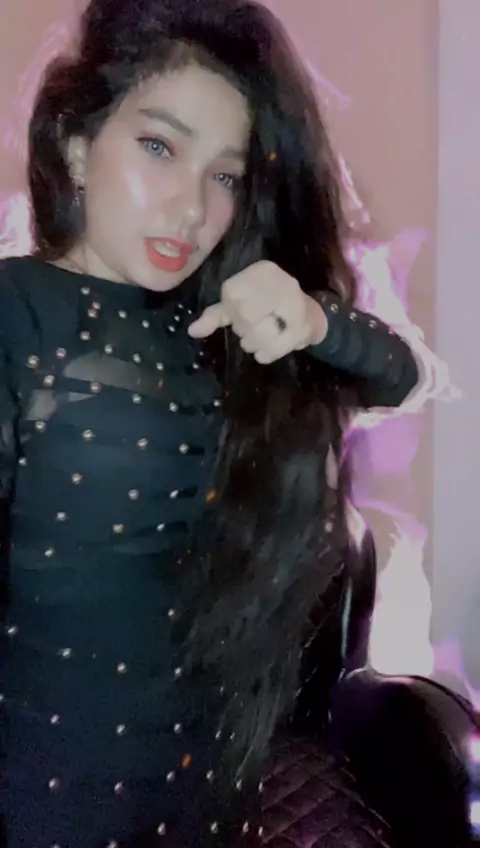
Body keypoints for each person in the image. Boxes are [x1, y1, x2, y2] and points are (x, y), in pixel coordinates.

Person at [0, 0, 419, 845]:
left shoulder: (218, 325)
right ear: (77, 145)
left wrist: (314, 320)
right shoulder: (17, 311)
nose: (191, 207)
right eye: (159, 146)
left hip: (209, 806)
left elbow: (396, 374)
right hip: (49, 809)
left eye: (224, 176)